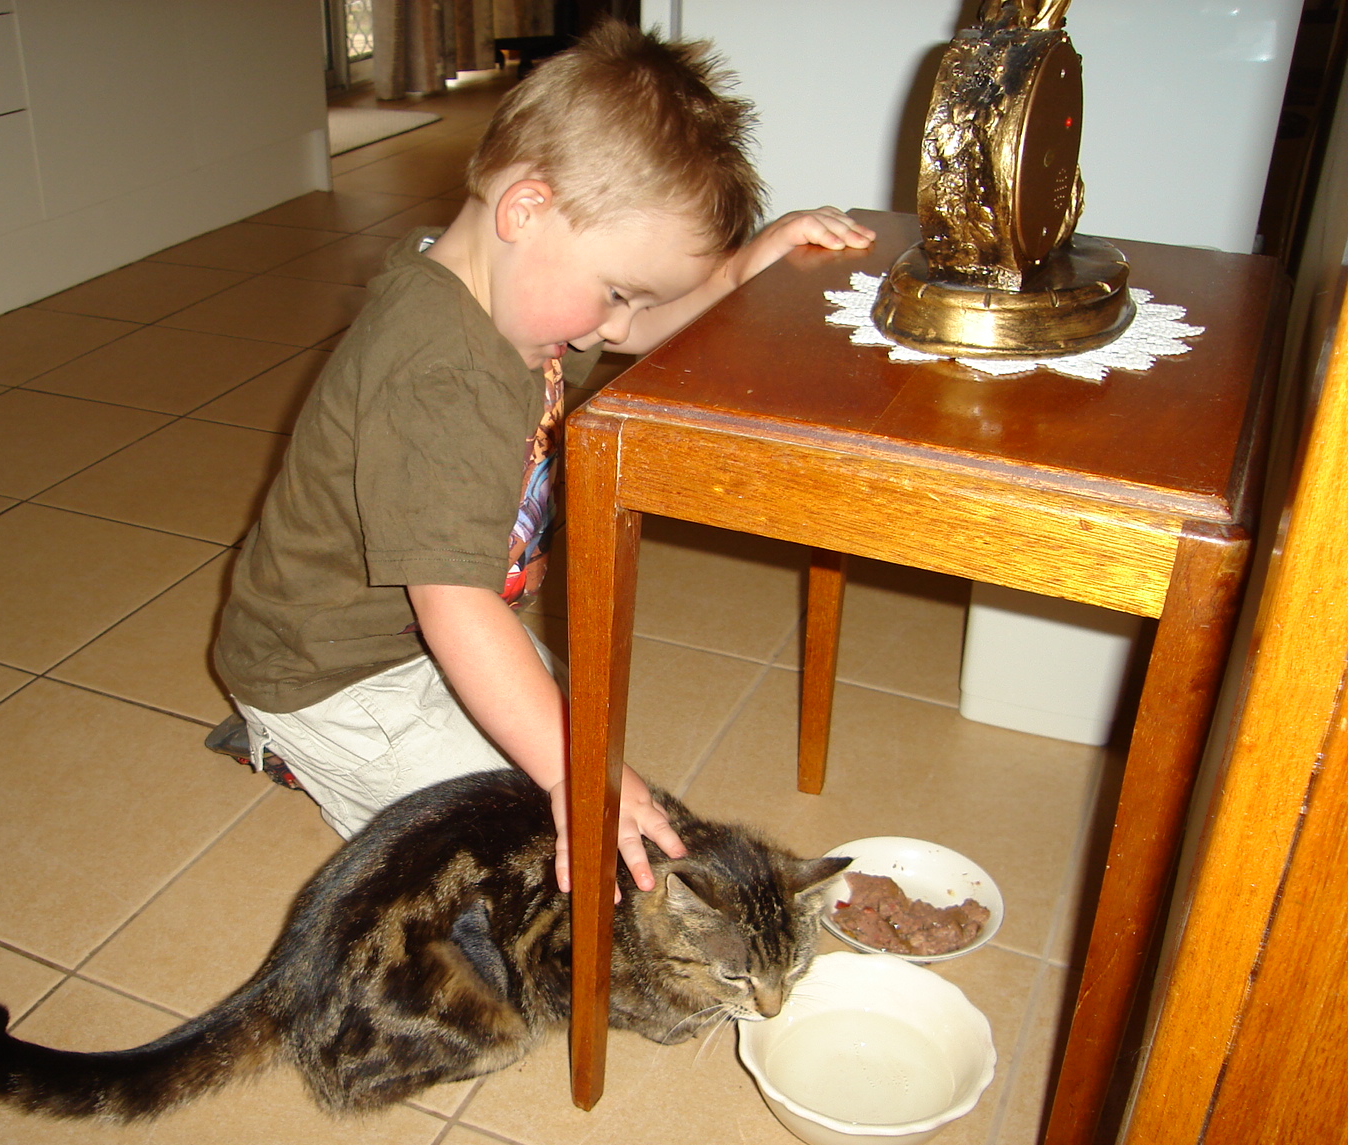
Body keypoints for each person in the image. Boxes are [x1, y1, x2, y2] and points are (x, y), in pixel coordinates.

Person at [210, 20, 874, 894]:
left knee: (565, 726)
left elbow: (638, 327)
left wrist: (745, 265)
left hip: (418, 635)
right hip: (330, 673)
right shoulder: (438, 373)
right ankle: (294, 744)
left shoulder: (520, 292)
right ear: (526, 209)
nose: (612, 326)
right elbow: (455, 608)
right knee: (498, 841)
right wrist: (570, 772)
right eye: (614, 292)